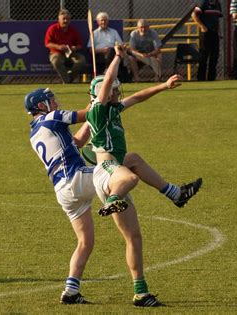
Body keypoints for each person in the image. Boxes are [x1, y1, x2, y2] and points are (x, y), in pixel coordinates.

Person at [86, 45, 203, 307]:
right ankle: (111, 201)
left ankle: (141, 292)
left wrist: (163, 86)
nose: (117, 91)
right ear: (101, 93)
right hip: (106, 172)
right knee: (130, 178)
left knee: (134, 236)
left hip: (115, 166)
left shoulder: (114, 109)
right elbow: (105, 85)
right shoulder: (98, 109)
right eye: (113, 88)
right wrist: (117, 56)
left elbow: (138, 97)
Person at [24, 88, 94, 304]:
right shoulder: (52, 117)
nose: (56, 103)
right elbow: (86, 113)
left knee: (85, 242)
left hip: (62, 191)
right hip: (75, 178)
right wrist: (97, 100)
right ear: (41, 106)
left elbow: (78, 142)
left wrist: (93, 118)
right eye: (51, 100)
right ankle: (171, 191)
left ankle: (71, 291)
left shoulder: (36, 131)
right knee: (121, 168)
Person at [44, 9, 86, 83]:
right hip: (56, 53)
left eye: (67, 19)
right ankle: (67, 81)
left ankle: (69, 77)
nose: (66, 21)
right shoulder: (53, 29)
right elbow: (47, 43)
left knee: (81, 60)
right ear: (59, 19)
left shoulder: (73, 30)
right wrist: (59, 47)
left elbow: (80, 45)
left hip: (71, 53)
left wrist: (75, 48)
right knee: (56, 61)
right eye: (64, 19)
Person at [87, 11, 132, 82]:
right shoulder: (94, 33)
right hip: (99, 55)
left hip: (113, 53)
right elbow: (90, 49)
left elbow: (120, 44)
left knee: (112, 50)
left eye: (105, 20)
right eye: (102, 20)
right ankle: (108, 70)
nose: (104, 22)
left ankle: (107, 70)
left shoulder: (114, 32)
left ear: (108, 21)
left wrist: (118, 47)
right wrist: (102, 50)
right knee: (111, 51)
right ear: (98, 22)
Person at [192, 0, 223, 81]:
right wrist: (202, 26)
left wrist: (219, 31)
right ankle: (201, 78)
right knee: (204, 55)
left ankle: (211, 78)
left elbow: (217, 19)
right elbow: (194, 15)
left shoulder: (217, 4)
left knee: (214, 56)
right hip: (205, 33)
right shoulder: (203, 2)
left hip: (215, 32)